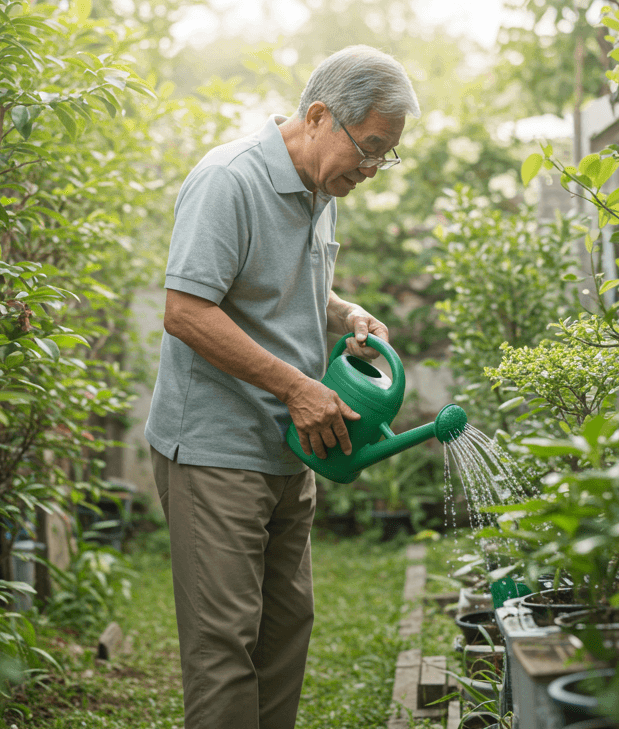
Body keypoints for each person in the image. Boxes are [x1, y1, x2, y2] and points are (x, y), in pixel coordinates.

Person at [143, 45, 419, 728]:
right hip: (215, 447)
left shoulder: (324, 192)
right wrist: (298, 388)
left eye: (387, 154)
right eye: (371, 147)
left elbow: (280, 292)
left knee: (287, 627)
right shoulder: (228, 181)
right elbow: (186, 311)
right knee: (224, 644)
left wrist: (346, 312)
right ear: (320, 115)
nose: (374, 167)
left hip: (293, 448)